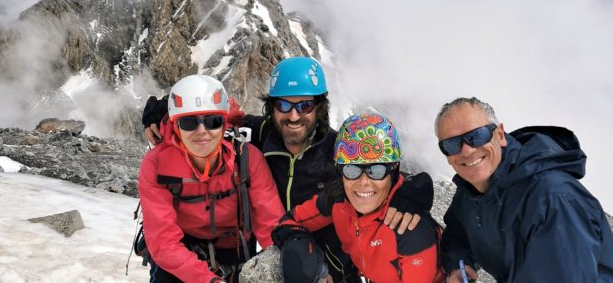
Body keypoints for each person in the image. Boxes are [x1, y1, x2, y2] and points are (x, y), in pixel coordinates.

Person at [141, 57, 433, 282]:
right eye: (284, 105)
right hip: (285, 250)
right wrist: (164, 115)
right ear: (272, 108)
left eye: (305, 105)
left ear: (319, 108)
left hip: (335, 267)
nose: (294, 115)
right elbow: (208, 110)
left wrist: (410, 193)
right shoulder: (256, 135)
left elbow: (380, 173)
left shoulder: (338, 151)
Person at [435, 97, 613, 282]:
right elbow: (458, 235)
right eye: (452, 144)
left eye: (477, 136)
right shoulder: (472, 191)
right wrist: (459, 265)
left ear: (500, 135)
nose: (467, 151)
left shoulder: (552, 198)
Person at [138, 75, 285, 282]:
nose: (202, 132)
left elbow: (272, 226)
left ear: (224, 123)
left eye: (212, 121)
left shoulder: (247, 158)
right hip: (181, 251)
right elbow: (163, 241)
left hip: (236, 248)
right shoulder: (155, 164)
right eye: (189, 122)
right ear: (176, 126)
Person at [272, 112, 444, 283]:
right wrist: (300, 254)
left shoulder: (409, 227)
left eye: (376, 170)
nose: (363, 182)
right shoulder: (337, 199)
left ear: (393, 170)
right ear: (340, 172)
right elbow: (290, 221)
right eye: (351, 170)